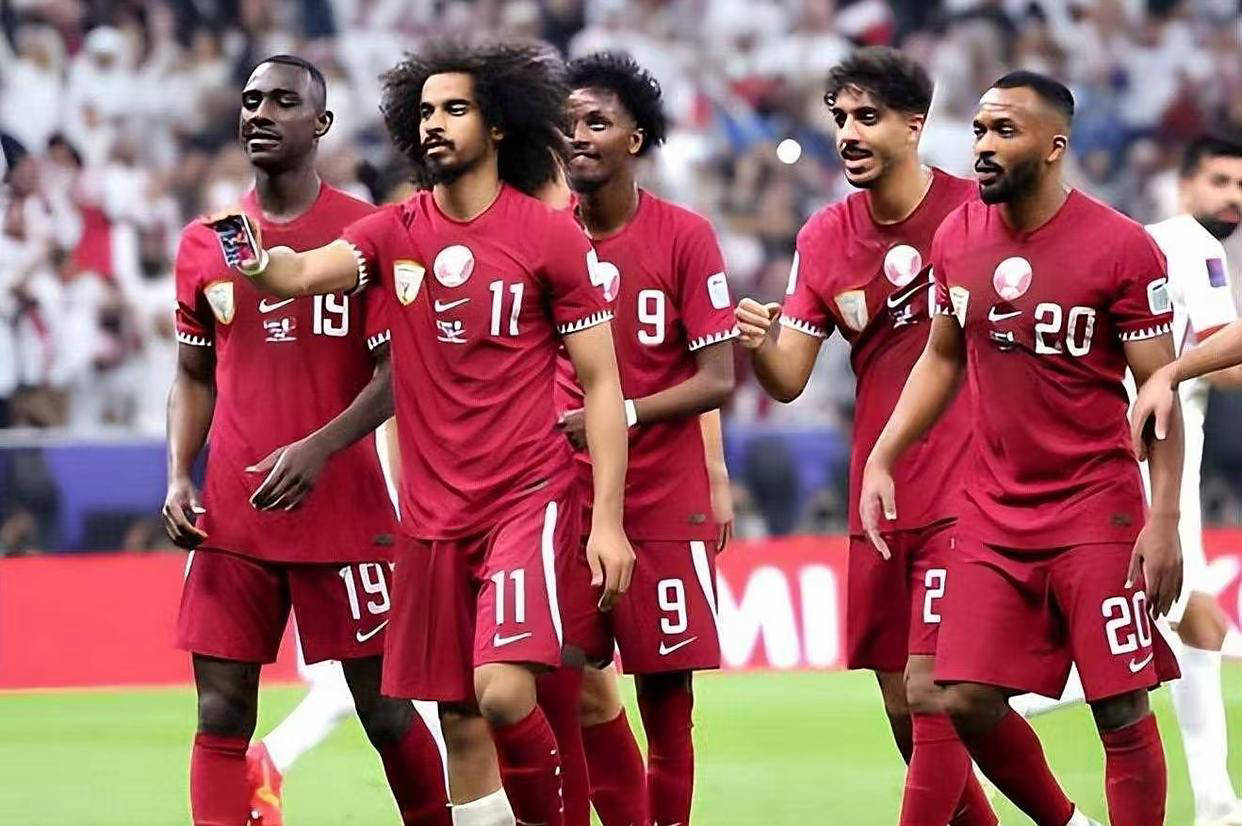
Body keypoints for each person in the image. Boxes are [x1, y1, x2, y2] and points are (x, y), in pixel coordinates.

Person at [206, 40, 634, 826]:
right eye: (427, 110)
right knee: (460, 721)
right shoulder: (395, 231)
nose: (435, 123)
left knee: (502, 692)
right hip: (432, 520)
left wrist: (606, 521)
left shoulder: (549, 237)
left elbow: (603, 384)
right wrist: (249, 251)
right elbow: (295, 273)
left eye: (455, 109)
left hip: (525, 501)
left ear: (497, 126)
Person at [860, 71, 1183, 826]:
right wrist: (883, 455)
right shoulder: (956, 237)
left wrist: (1163, 519)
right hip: (993, 510)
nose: (982, 145)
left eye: (1004, 131)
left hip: (1095, 507)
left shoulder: (1121, 247)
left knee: (1119, 704)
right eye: (979, 129)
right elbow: (941, 357)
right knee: (959, 696)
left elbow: (1159, 394)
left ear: (1054, 146)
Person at [164, 55, 449, 826]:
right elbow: (192, 374)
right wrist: (179, 475)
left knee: (388, 711)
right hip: (234, 514)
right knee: (220, 711)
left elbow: (400, 373)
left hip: (345, 511)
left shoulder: (370, 234)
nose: (260, 112)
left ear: (320, 124)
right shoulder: (205, 241)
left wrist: (320, 447)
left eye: (283, 101)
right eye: (252, 99)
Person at [734, 47, 996, 826]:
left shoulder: (976, 213)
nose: (848, 133)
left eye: (868, 118)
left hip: (971, 481)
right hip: (879, 492)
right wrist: (759, 343)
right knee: (901, 706)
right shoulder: (823, 237)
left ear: (914, 127)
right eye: (841, 118)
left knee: (932, 687)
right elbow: (789, 377)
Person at [1015, 133, 1242, 826]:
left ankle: (1217, 805)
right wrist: (1179, 371)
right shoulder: (1191, 244)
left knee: (1199, 623)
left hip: (1145, 463)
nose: (1233, 197)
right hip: (1147, 473)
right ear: (1184, 186)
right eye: (1220, 182)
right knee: (1141, 635)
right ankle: (990, 709)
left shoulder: (1141, 244)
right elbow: (1228, 363)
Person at [551, 52, 737, 826]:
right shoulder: (542, 238)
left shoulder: (685, 236)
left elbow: (718, 378)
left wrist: (622, 416)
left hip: (663, 498)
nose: (579, 135)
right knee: (559, 683)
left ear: (635, 139)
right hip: (564, 495)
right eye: (568, 123)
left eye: (597, 122)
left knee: (667, 703)